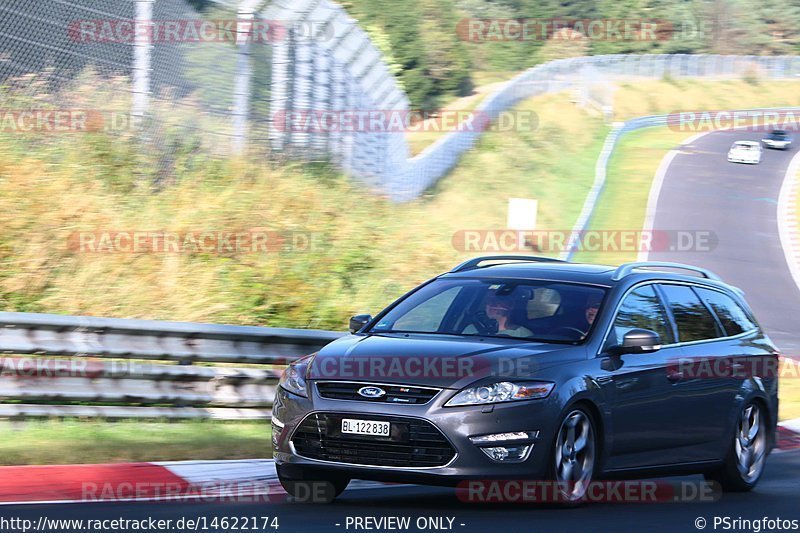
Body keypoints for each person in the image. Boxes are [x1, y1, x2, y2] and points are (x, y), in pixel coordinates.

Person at [463, 294, 533, 338]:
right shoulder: (471, 329)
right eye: (489, 301)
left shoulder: (522, 334)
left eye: (499, 301)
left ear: (511, 305)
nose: (492, 304)